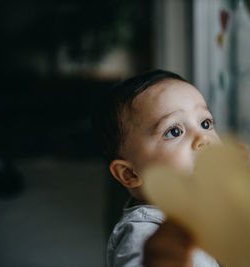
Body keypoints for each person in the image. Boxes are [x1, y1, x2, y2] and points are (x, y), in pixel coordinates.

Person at [92, 69, 221, 267]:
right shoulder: (146, 235)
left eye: (205, 123)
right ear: (130, 174)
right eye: (174, 131)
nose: (203, 138)